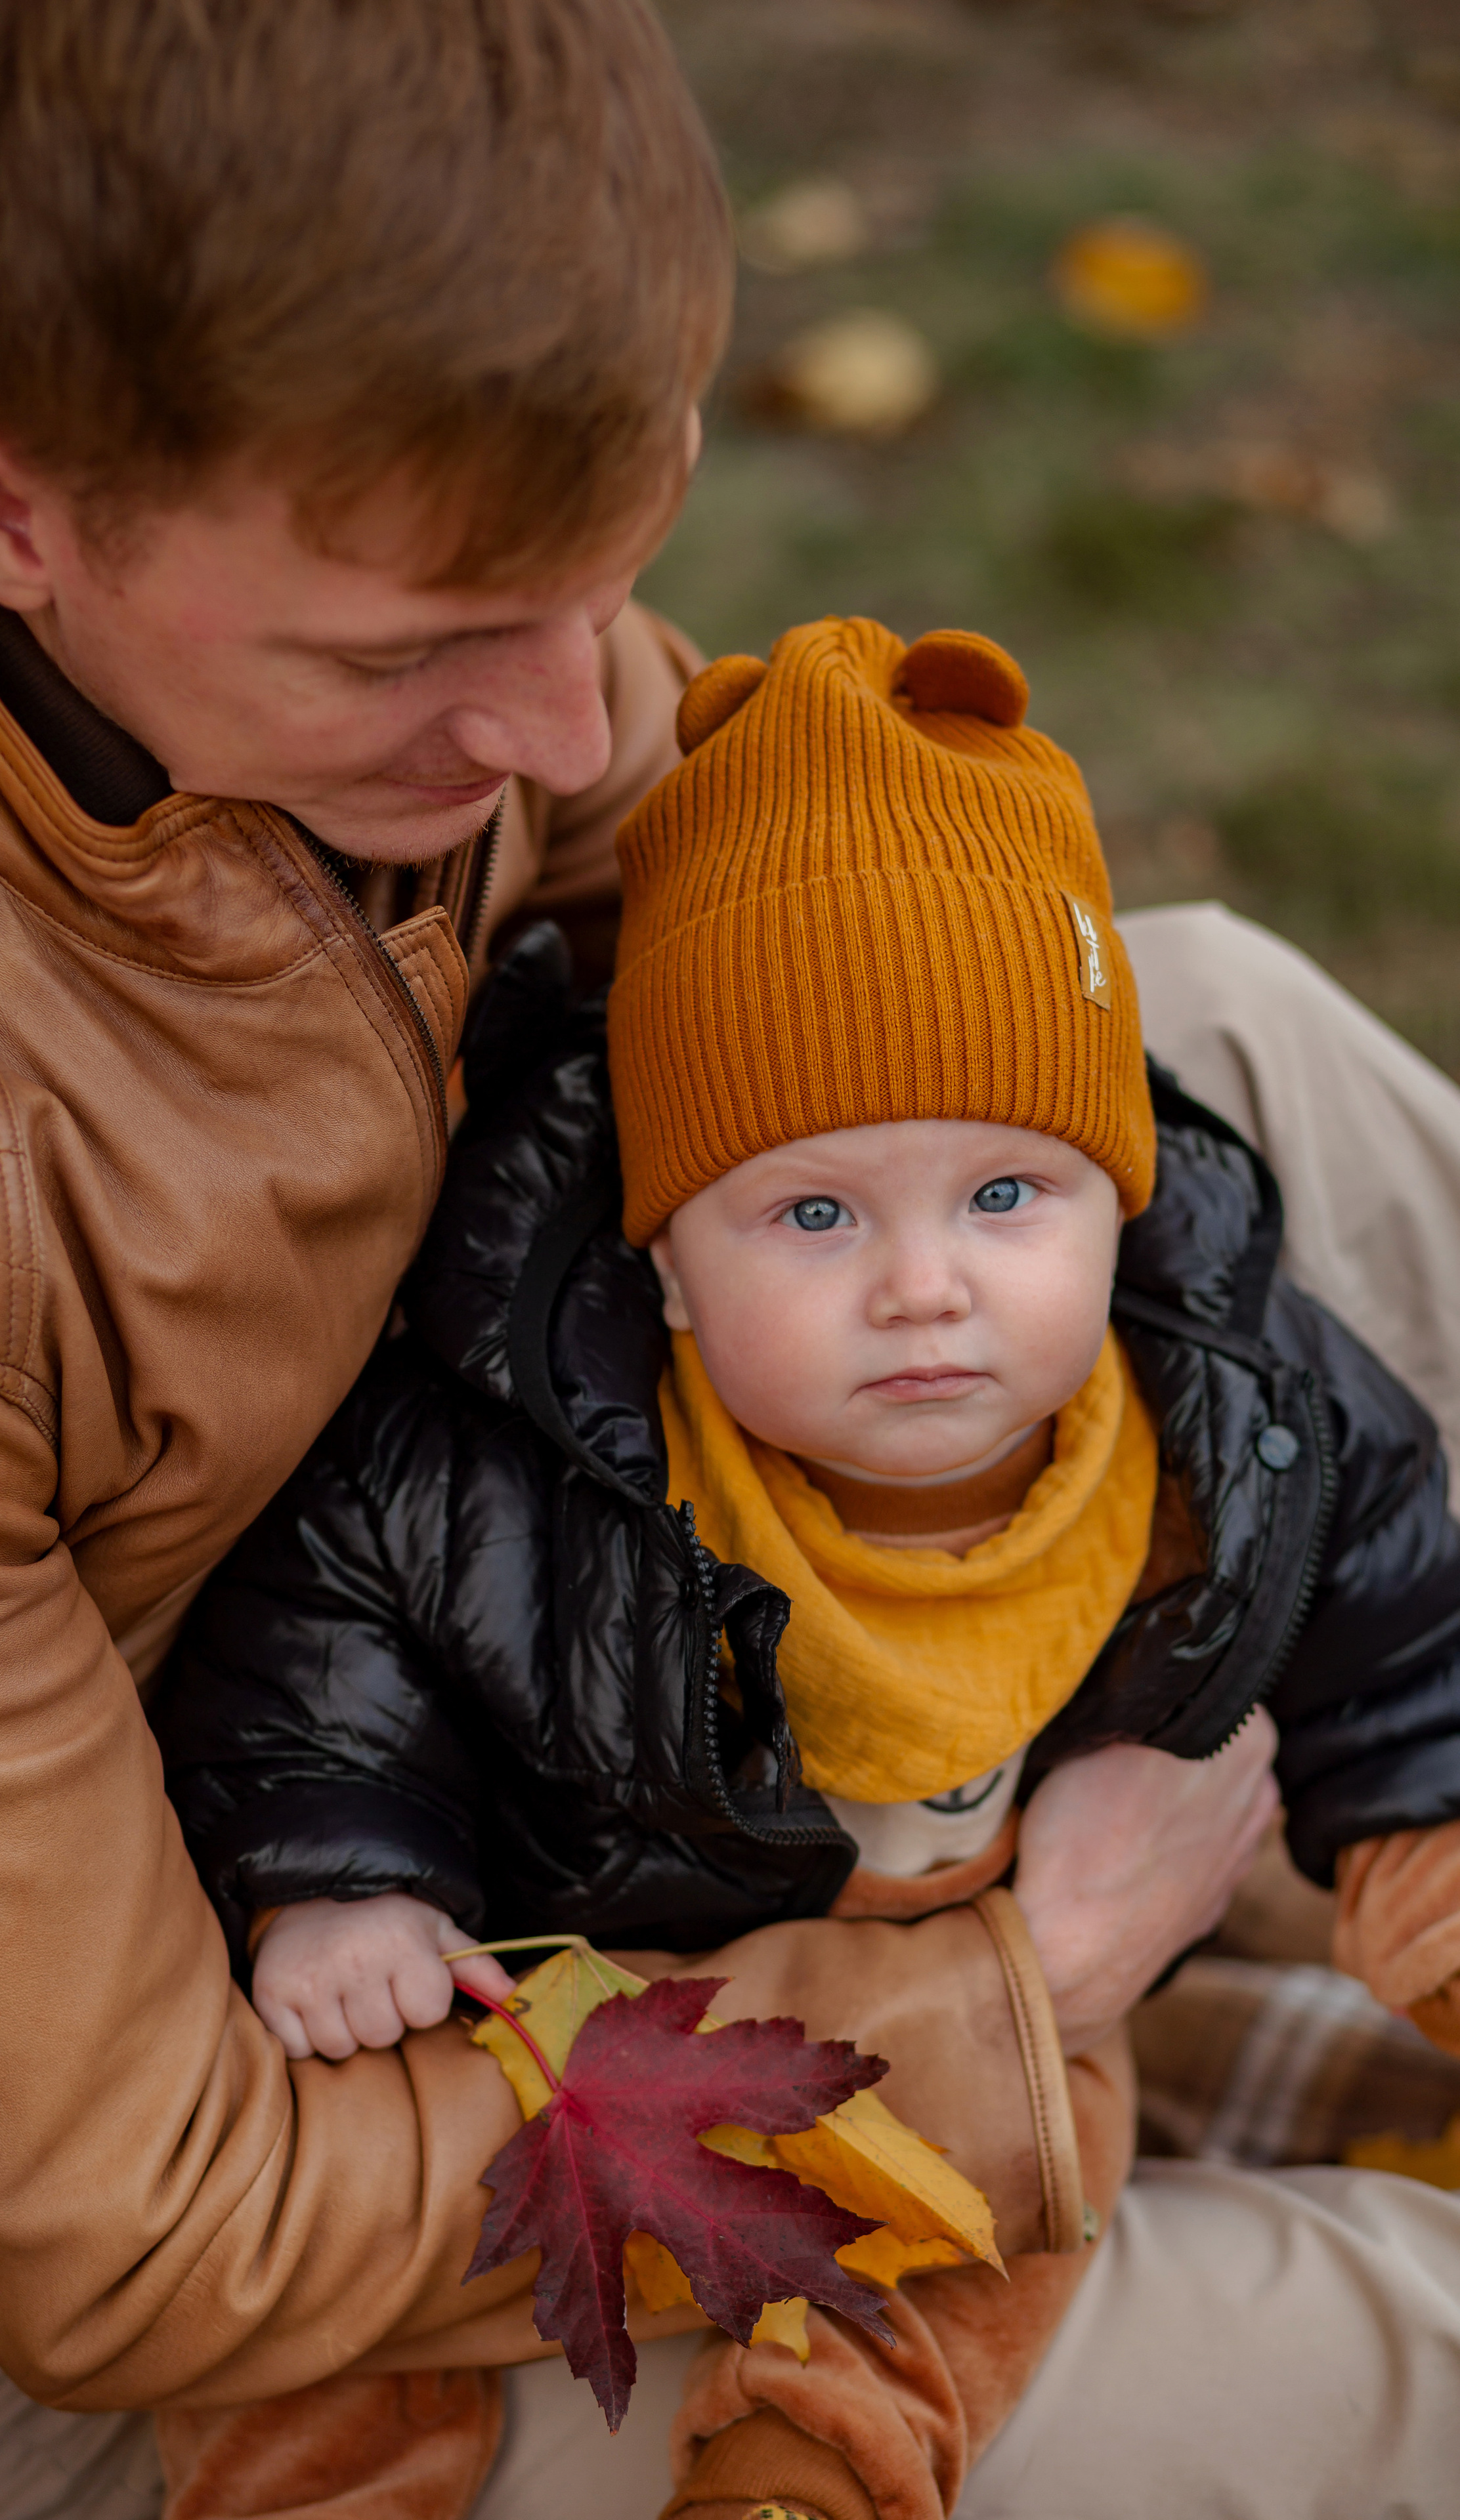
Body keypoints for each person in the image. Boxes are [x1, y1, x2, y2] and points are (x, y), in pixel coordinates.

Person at [0, 7, 1268, 2518]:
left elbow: (663, 842)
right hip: (154, 2266)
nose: (577, 722)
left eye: (610, 567)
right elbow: (136, 2237)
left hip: (543, 1729)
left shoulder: (308, 552)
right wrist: (1007, 2013)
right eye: (407, 660)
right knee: (1406, 2345)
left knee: (1224, 1024)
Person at [158, 616, 1460, 2519]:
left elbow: (1408, 1640)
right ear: (670, 1266)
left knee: (1009, 2207)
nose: (924, 1282)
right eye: (816, 1212)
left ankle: (816, 2470)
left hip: (977, 1995)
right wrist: (342, 1883)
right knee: (375, 2344)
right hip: (598, 1997)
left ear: (1121, 1195)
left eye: (1008, 1195)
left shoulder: (1224, 1402)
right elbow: (318, 1642)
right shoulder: (508, 1439)